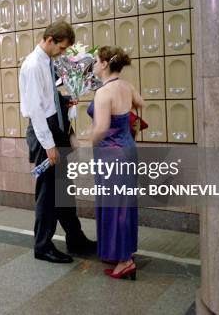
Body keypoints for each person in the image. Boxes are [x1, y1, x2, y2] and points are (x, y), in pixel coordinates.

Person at [19, 20, 96, 264]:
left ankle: (76, 238)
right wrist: (49, 145)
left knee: (64, 190)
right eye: (61, 48)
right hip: (45, 134)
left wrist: (66, 102)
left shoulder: (47, 62)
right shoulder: (33, 66)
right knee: (48, 193)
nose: (63, 53)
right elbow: (35, 109)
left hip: (56, 129)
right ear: (50, 40)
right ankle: (42, 245)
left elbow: (49, 100)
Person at [89, 46, 144, 280]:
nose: (92, 65)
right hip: (128, 149)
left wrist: (87, 142)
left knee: (115, 207)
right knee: (124, 204)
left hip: (111, 154)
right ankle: (122, 253)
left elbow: (101, 128)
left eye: (94, 61)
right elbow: (140, 103)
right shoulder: (126, 85)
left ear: (103, 64)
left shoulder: (103, 93)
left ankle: (124, 261)